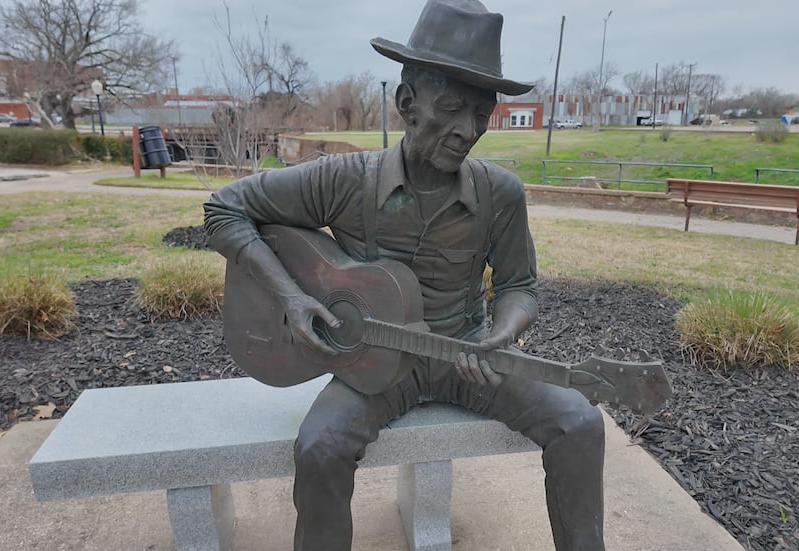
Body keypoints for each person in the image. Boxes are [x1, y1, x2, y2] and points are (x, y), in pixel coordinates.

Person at [203, 1, 605, 549]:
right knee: (320, 446)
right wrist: (292, 297)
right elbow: (224, 207)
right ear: (407, 102)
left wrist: (502, 334)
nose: (468, 130)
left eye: (480, 114)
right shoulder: (343, 180)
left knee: (580, 423)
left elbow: (519, 287)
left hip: (468, 354)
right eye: (451, 108)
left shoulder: (500, 193)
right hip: (375, 362)